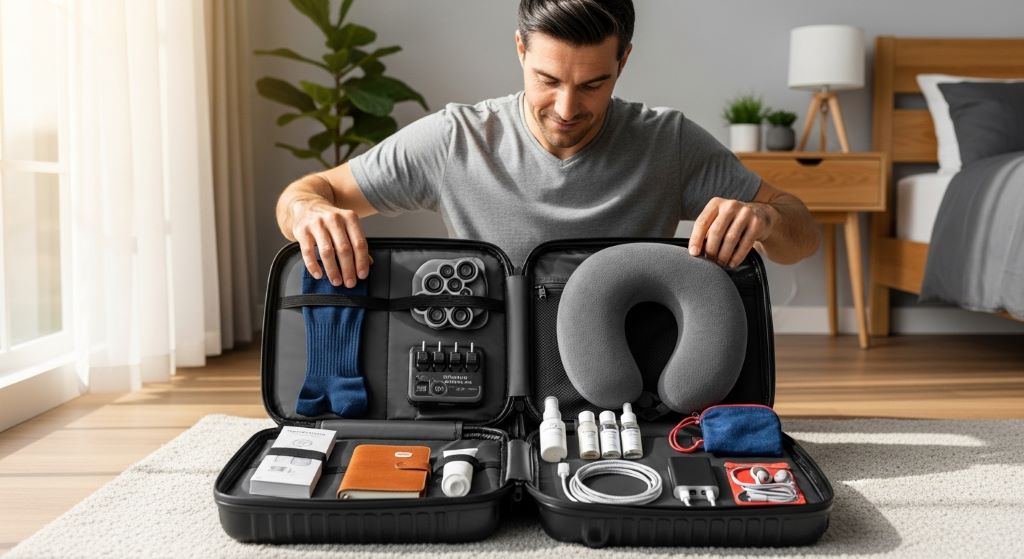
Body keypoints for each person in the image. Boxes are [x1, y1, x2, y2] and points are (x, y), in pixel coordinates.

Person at [276, 0, 819, 287]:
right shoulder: (455, 139)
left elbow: (802, 234)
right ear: (520, 50)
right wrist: (308, 211)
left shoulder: (668, 141)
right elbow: (310, 190)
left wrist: (765, 220)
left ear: (623, 60)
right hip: (490, 369)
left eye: (593, 84)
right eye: (548, 80)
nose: (566, 110)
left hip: (629, 367)